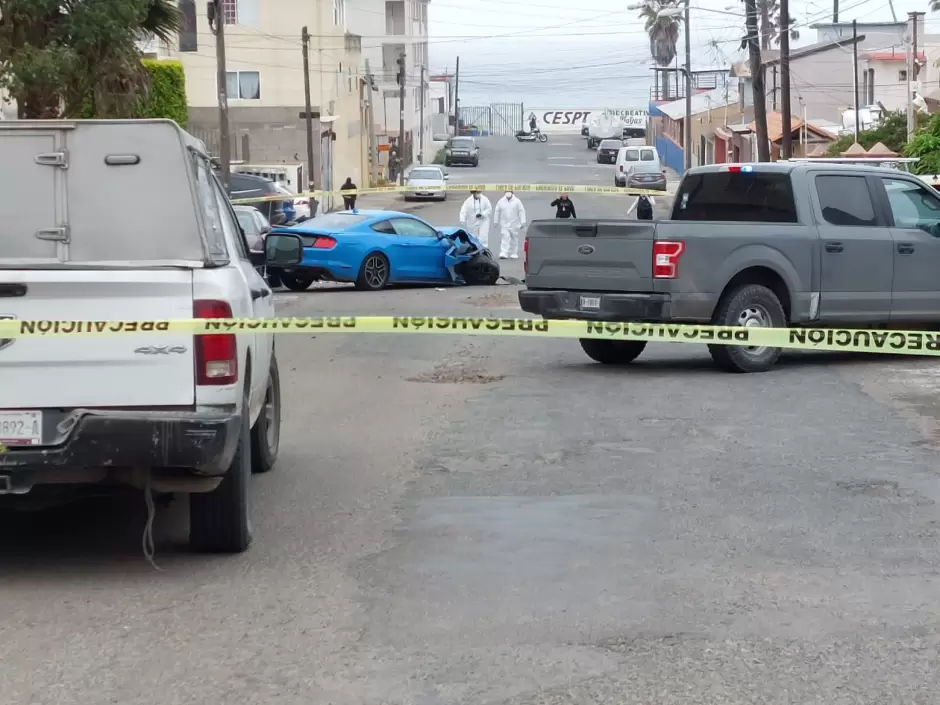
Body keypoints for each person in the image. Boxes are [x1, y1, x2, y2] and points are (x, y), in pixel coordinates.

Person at [493, 191, 526, 259]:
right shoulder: (501, 201)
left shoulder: (517, 201)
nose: (508, 193)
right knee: (505, 237)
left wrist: (523, 221)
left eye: (509, 192)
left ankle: (513, 252)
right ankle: (504, 252)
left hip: (514, 223)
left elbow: (521, 211)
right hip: (504, 223)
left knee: (514, 238)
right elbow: (497, 211)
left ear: (512, 193)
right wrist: (496, 221)